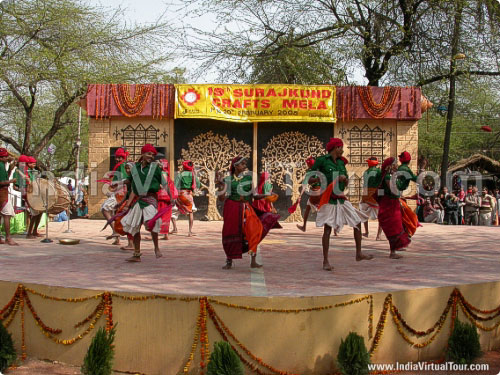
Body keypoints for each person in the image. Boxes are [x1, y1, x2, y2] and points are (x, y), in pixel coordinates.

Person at [310, 138, 372, 271]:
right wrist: (327, 179)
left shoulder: (341, 162)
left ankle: (358, 253)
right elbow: (310, 178)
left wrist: (345, 180)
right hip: (328, 199)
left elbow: (345, 179)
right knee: (327, 229)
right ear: (335, 147)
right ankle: (325, 261)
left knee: (357, 221)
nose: (343, 150)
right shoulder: (322, 160)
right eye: (341, 147)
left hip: (341, 198)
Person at [216, 156, 280, 269]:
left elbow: (254, 196)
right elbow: (221, 199)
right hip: (232, 208)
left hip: (246, 207)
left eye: (245, 164)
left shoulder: (248, 179)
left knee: (254, 230)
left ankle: (253, 260)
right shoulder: (228, 180)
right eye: (242, 164)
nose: (245, 166)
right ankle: (229, 261)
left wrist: (266, 195)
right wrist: (220, 185)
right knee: (230, 232)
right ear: (236, 166)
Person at [121, 144, 170, 262]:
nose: (151, 156)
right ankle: (136, 254)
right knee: (135, 226)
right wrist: (118, 183)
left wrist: (172, 197)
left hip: (150, 199)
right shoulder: (135, 168)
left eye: (153, 155)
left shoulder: (155, 168)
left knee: (151, 223)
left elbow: (164, 183)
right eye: (149, 154)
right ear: (142, 154)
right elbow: (132, 185)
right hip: (139, 200)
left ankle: (156, 247)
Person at [376, 157, 411, 258]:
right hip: (389, 205)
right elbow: (393, 190)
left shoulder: (390, 176)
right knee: (393, 228)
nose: (397, 165)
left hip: (392, 203)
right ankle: (393, 252)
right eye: (395, 164)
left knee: (397, 226)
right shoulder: (387, 177)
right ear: (391, 166)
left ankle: (395, 249)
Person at [101, 148, 129, 245]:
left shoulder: (121, 166)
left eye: (119, 157)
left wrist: (113, 186)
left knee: (105, 209)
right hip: (122, 193)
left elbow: (122, 180)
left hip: (120, 194)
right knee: (115, 214)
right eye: (117, 157)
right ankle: (117, 240)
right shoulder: (122, 166)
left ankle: (115, 231)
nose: (117, 159)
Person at [359, 157, 383, 240]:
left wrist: (363, 197)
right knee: (382, 216)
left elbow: (365, 185)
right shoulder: (379, 172)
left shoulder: (366, 172)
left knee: (364, 214)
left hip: (366, 195)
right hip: (376, 195)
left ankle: (366, 232)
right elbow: (381, 184)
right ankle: (378, 235)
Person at [175, 160, 200, 237]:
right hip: (189, 195)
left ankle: (173, 228)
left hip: (181, 194)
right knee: (191, 212)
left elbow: (175, 185)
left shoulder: (180, 174)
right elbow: (198, 184)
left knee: (174, 210)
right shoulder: (193, 175)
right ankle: (190, 231)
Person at [296, 157, 321, 232]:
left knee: (307, 209)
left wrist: (300, 195)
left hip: (314, 192)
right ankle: (335, 228)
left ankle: (304, 226)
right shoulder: (320, 170)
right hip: (322, 192)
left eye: (307, 164)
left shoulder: (309, 172)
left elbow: (304, 185)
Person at [0, 148, 18, 245]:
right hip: (2, 193)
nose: (7, 158)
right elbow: (1, 182)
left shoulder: (3, 165)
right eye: (5, 157)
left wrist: (10, 169)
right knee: (7, 215)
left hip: (3, 192)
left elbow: (5, 177)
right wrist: (11, 181)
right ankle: (8, 238)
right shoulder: (0, 165)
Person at [157, 159, 177, 240]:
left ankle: (157, 233)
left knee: (158, 215)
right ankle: (165, 234)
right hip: (168, 198)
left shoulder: (161, 174)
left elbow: (162, 185)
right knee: (166, 216)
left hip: (161, 197)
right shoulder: (167, 175)